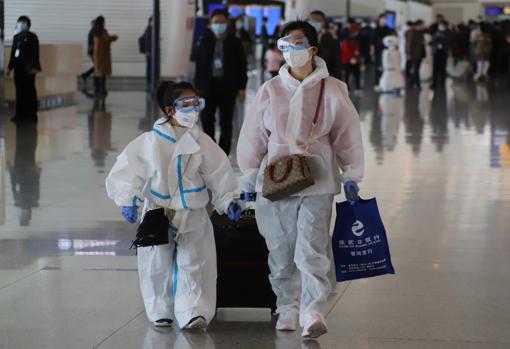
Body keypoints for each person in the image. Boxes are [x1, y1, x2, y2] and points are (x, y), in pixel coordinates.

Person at [237, 20, 364, 339]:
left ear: (312, 49)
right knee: (280, 245)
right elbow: (253, 134)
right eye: (286, 44)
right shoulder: (270, 89)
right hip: (277, 176)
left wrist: (352, 173)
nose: (292, 50)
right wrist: (248, 175)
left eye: (298, 43)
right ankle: (287, 306)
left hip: (317, 176)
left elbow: (347, 134)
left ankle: (313, 310)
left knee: (312, 243)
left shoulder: (333, 88)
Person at [106, 81, 243, 330]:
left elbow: (220, 173)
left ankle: (193, 310)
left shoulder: (202, 142)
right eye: (186, 104)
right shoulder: (149, 142)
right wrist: (127, 198)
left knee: (196, 262)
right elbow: (127, 171)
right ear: (170, 110)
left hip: (193, 213)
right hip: (158, 213)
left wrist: (228, 199)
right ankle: (160, 309)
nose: (193, 109)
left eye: (196, 103)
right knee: (156, 264)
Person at [194, 9, 247, 155]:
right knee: (206, 118)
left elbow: (242, 65)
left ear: (227, 23)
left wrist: (242, 87)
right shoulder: (204, 40)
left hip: (228, 87)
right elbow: (199, 65)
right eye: (216, 22)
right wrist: (196, 87)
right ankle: (211, 148)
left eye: (222, 22)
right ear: (211, 23)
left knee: (226, 121)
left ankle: (223, 152)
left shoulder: (234, 42)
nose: (219, 25)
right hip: (207, 87)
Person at [6, 16, 41, 123]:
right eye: (19, 22)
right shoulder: (16, 37)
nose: (21, 24)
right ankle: (19, 115)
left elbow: (35, 53)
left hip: (29, 69)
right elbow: (13, 53)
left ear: (28, 24)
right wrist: (9, 67)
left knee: (30, 91)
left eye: (23, 22)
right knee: (19, 91)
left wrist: (35, 67)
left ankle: (32, 115)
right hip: (18, 68)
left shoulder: (32, 37)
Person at [307, 10, 342, 79]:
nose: (313, 23)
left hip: (325, 77)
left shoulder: (332, 39)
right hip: (305, 77)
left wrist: (337, 80)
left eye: (317, 20)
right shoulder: (302, 38)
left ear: (323, 22)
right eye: (311, 20)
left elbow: (337, 63)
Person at [92, 15, 118, 97]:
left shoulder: (94, 31)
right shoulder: (103, 31)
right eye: (104, 21)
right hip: (103, 54)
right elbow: (108, 39)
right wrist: (115, 37)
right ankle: (102, 88)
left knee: (97, 71)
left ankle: (97, 87)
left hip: (96, 54)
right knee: (102, 72)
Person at [372, 13, 393, 87]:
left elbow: (391, 40)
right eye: (383, 19)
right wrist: (372, 50)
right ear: (379, 19)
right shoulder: (376, 29)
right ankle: (377, 84)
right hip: (378, 51)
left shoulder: (388, 29)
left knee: (386, 67)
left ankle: (385, 84)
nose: (384, 20)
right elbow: (373, 41)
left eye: (385, 19)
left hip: (387, 51)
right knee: (378, 68)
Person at [341, 23, 362, 94]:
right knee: (347, 75)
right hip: (347, 61)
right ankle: (347, 89)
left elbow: (357, 49)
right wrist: (351, 58)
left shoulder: (357, 38)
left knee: (357, 75)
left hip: (356, 60)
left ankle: (358, 88)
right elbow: (345, 50)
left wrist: (357, 58)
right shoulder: (346, 39)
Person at [406, 19, 425, 89]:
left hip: (420, 53)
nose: (422, 26)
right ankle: (418, 84)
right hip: (414, 54)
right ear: (418, 25)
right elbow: (409, 44)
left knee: (416, 69)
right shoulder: (411, 32)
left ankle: (411, 83)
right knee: (416, 69)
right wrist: (408, 54)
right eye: (421, 25)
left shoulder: (421, 32)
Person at [432, 20, 451, 88]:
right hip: (436, 51)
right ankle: (434, 82)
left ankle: (442, 82)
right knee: (435, 67)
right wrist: (436, 36)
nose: (441, 26)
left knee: (442, 67)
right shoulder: (436, 31)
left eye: (442, 25)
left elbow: (450, 40)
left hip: (444, 51)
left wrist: (443, 37)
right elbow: (432, 39)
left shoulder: (448, 32)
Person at [139, 17, 153, 92]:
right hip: (150, 52)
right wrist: (148, 51)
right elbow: (148, 41)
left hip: (148, 52)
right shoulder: (150, 30)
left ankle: (149, 81)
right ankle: (150, 81)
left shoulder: (148, 29)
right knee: (150, 67)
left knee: (149, 67)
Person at [80, 20, 95, 86]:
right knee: (97, 66)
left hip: (93, 52)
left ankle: (85, 75)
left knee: (97, 66)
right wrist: (91, 52)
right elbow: (91, 44)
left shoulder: (92, 32)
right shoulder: (92, 33)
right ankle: (85, 75)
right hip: (93, 52)